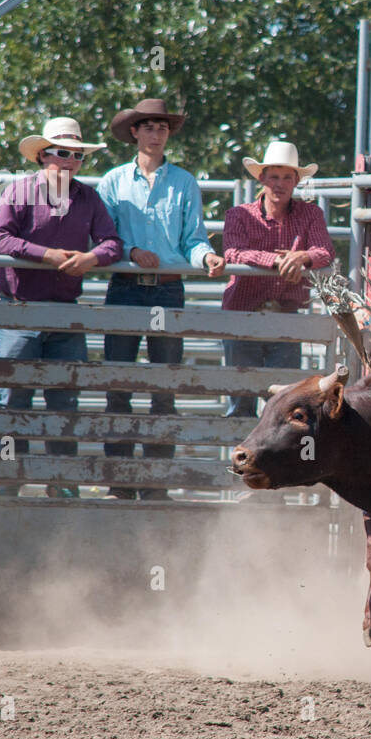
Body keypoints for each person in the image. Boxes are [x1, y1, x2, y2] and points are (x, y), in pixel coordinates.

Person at [97, 99, 225, 501]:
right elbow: (104, 238)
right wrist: (132, 252)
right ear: (134, 131)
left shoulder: (184, 183)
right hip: (126, 284)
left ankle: (155, 481)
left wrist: (206, 257)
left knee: (163, 387)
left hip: (167, 286)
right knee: (118, 384)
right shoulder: (112, 182)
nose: (156, 132)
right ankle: (120, 480)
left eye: (162, 127)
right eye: (149, 126)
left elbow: (193, 238)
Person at [0, 117, 122, 498]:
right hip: (21, 308)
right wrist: (45, 254)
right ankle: (9, 483)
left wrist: (91, 258)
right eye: (62, 153)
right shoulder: (19, 192)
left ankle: (61, 481)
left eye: (76, 155)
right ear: (43, 156)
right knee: (15, 398)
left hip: (64, 309)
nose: (69, 160)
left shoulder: (88, 198)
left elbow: (112, 242)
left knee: (64, 399)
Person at [221, 141, 334, 418]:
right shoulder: (238, 215)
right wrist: (275, 260)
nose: (280, 184)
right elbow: (232, 252)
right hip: (244, 316)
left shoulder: (310, 214)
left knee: (286, 404)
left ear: (296, 181)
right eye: (274, 176)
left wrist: (302, 257)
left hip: (285, 317)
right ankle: (240, 460)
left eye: (287, 177)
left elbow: (325, 252)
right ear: (262, 178)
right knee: (242, 401)